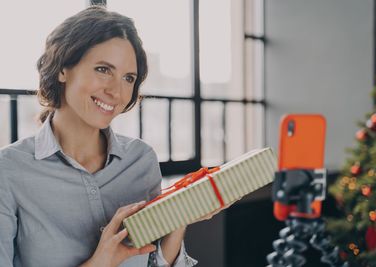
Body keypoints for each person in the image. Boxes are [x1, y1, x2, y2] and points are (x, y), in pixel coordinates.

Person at [0, 5, 219, 267]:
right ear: (62, 69)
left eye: (128, 78)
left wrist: (178, 220)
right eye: (103, 69)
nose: (116, 91)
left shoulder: (141, 160)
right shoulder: (9, 170)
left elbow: (152, 261)